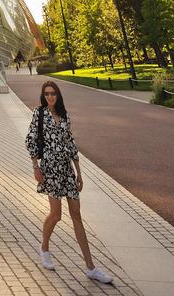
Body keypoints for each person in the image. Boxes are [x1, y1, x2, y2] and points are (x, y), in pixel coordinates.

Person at [26, 80, 113, 284]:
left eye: (53, 93)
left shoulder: (65, 116)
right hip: (50, 170)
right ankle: (44, 247)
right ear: (43, 95)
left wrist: (79, 173)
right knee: (56, 215)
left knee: (76, 215)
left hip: (66, 170)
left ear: (58, 95)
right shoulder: (38, 114)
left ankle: (91, 267)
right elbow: (30, 141)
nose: (50, 97)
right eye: (46, 94)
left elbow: (71, 144)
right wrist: (35, 167)